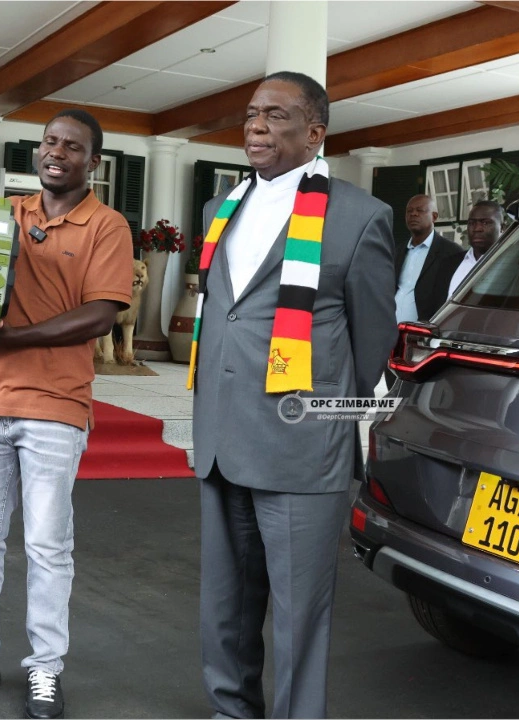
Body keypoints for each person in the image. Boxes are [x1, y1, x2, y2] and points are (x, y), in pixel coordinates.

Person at [185, 71, 397, 719]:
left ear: (314, 133)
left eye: (276, 116)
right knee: (225, 603)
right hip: (222, 438)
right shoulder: (219, 209)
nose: (256, 126)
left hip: (301, 449)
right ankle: (231, 710)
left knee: (300, 614)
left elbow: (371, 343)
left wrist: (323, 422)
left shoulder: (359, 216)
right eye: (251, 114)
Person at [0, 108, 133, 720]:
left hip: (56, 407)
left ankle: (45, 667)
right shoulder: (4, 212)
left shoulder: (107, 225)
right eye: (49, 142)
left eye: (72, 146)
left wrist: (9, 339)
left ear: (93, 162)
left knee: (47, 546)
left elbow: (100, 315)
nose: (56, 152)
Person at [394, 194, 463, 323]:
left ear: (434, 216)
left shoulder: (451, 253)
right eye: (409, 211)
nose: (413, 214)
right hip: (389, 327)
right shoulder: (397, 252)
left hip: (424, 330)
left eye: (420, 210)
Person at [448, 199, 504, 296]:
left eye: (485, 223)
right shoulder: (449, 263)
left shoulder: (512, 263)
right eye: (472, 223)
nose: (477, 229)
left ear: (502, 228)